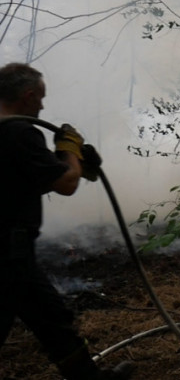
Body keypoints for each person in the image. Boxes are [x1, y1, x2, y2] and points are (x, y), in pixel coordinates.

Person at [0, 63, 132, 379]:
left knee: (51, 316)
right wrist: (70, 150)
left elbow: (27, 175)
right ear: (28, 96)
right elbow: (67, 184)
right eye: (40, 98)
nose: (43, 106)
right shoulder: (20, 132)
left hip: (14, 254)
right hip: (8, 255)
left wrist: (67, 160)